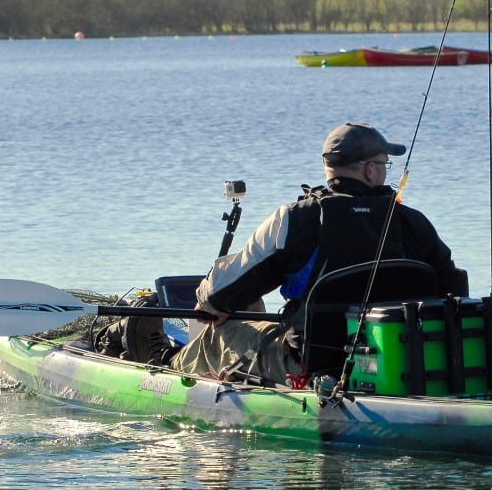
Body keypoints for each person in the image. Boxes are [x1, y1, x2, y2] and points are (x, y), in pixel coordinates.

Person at [168, 122, 461, 384]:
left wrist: (208, 300)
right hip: (402, 363)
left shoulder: (296, 219)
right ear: (370, 169)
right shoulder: (414, 223)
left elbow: (218, 295)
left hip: (311, 366)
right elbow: (453, 291)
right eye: (385, 164)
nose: (385, 172)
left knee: (219, 331)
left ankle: (162, 368)